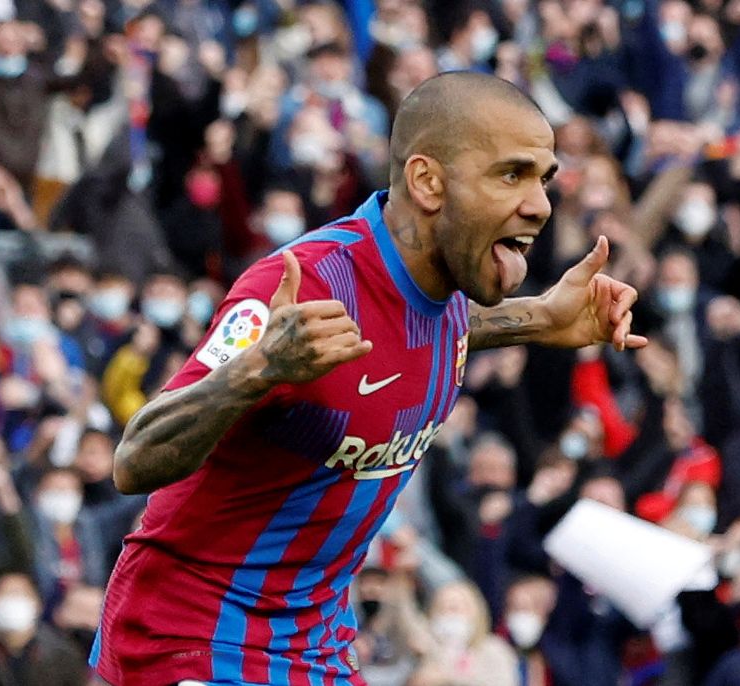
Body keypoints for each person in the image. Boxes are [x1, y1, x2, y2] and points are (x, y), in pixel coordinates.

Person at [89, 71, 646, 686]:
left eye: (543, 179)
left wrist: (540, 318)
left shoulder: (440, 296)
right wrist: (258, 370)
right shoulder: (305, 286)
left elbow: (433, 333)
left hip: (314, 648)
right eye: (510, 174)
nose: (540, 203)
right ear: (428, 182)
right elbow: (134, 459)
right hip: (192, 638)